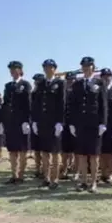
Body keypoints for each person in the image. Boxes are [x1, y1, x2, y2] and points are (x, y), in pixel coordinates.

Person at [69, 56, 107, 193]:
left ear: (93, 67)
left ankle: (93, 182)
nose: (86, 68)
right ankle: (84, 181)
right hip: (80, 123)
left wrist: (103, 123)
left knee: (94, 155)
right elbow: (72, 105)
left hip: (95, 123)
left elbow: (103, 104)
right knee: (82, 155)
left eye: (88, 65)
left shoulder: (99, 83)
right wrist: (72, 123)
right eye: (84, 66)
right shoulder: (77, 84)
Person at [32, 59, 65, 190]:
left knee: (55, 153)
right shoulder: (41, 84)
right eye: (45, 67)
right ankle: (46, 178)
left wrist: (60, 122)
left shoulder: (60, 83)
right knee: (45, 152)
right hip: (42, 122)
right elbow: (36, 104)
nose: (47, 69)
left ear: (55, 69)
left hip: (54, 122)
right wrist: (34, 121)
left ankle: (55, 178)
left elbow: (62, 103)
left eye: (50, 67)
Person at [2, 61, 32, 184]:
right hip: (11, 122)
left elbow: (28, 104)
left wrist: (27, 121)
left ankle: (21, 175)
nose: (13, 71)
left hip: (22, 122)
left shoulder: (25, 85)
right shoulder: (8, 86)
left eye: (15, 69)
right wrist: (3, 121)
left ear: (20, 70)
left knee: (23, 150)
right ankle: (14, 175)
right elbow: (5, 104)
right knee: (12, 150)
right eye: (11, 69)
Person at [99, 68, 112, 184]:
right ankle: (103, 174)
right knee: (101, 152)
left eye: (108, 76)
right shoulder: (97, 91)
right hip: (100, 125)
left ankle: (110, 173)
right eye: (104, 76)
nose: (106, 78)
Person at [60, 71, 76, 180]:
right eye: (69, 80)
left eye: (72, 79)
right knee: (64, 149)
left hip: (76, 123)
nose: (70, 82)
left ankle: (76, 171)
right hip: (65, 123)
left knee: (77, 150)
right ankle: (64, 169)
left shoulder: (79, 91)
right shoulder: (63, 92)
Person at [30, 73, 45, 177]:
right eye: (35, 81)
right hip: (34, 122)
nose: (36, 82)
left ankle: (45, 169)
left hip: (44, 122)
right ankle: (38, 168)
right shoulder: (33, 93)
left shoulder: (45, 92)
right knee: (36, 148)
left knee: (45, 149)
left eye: (38, 80)